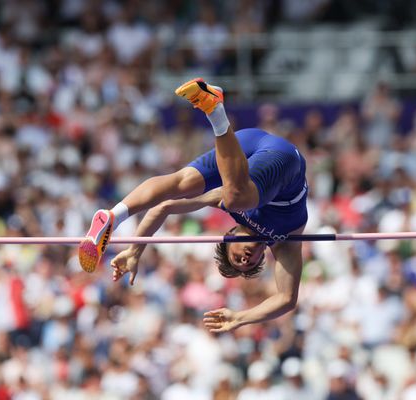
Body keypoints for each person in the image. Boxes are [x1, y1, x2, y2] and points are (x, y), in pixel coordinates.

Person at [78, 78, 308, 332]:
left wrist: (135, 250)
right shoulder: (284, 241)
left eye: (238, 259)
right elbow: (287, 298)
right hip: (286, 162)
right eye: (250, 263)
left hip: (246, 143)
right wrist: (240, 318)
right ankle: (215, 109)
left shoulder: (228, 205)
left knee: (183, 183)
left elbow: (163, 207)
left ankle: (114, 214)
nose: (246, 259)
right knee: (227, 196)